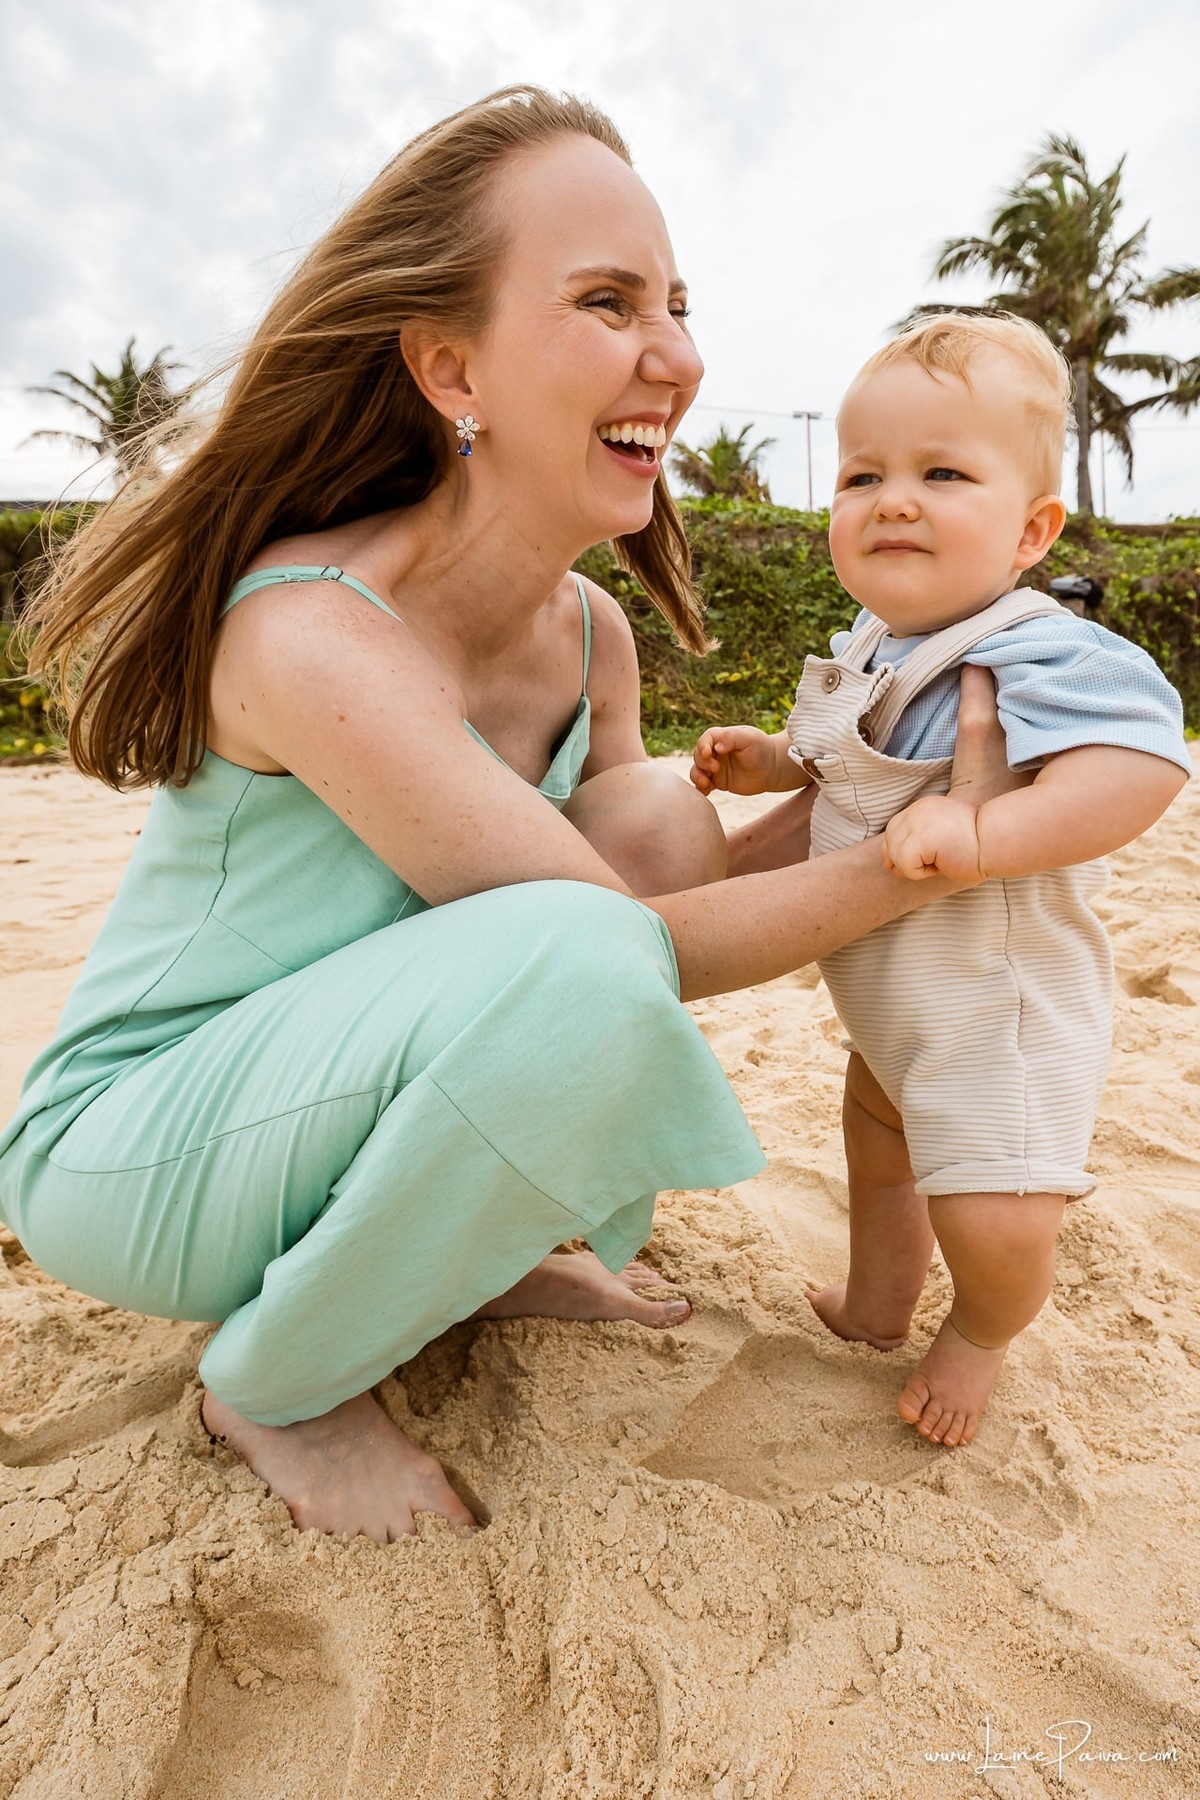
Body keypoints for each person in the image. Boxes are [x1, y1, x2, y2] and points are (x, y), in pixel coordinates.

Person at [0, 92, 1130, 1545]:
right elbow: (635, 953)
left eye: (676, 304)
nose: (678, 354)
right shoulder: (311, 631)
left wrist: (894, 792)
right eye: (608, 302)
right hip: (141, 1148)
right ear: (451, 366)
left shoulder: (592, 632)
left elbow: (682, 888)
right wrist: (939, 853)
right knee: (599, 955)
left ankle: (490, 1250)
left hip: (330, 1110)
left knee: (656, 831)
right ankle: (272, 1385)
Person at [691, 314, 1190, 1450]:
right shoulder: (872, 640)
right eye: (863, 474)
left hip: (992, 1022)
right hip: (894, 1009)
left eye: (942, 473)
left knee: (996, 1216)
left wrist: (991, 833)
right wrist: (771, 759)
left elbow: (1140, 764)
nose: (892, 499)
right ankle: (877, 1300)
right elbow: (842, 760)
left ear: (1031, 531)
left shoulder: (1038, 646)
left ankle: (980, 1332)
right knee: (877, 1145)